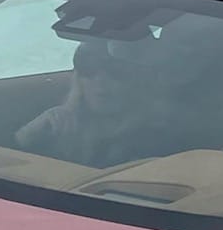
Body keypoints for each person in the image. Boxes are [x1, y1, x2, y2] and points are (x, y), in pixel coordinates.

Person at [14, 38, 171, 168]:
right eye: (88, 70)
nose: (100, 82)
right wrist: (27, 136)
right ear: (78, 79)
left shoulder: (158, 137)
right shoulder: (56, 124)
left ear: (139, 80)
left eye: (116, 72)